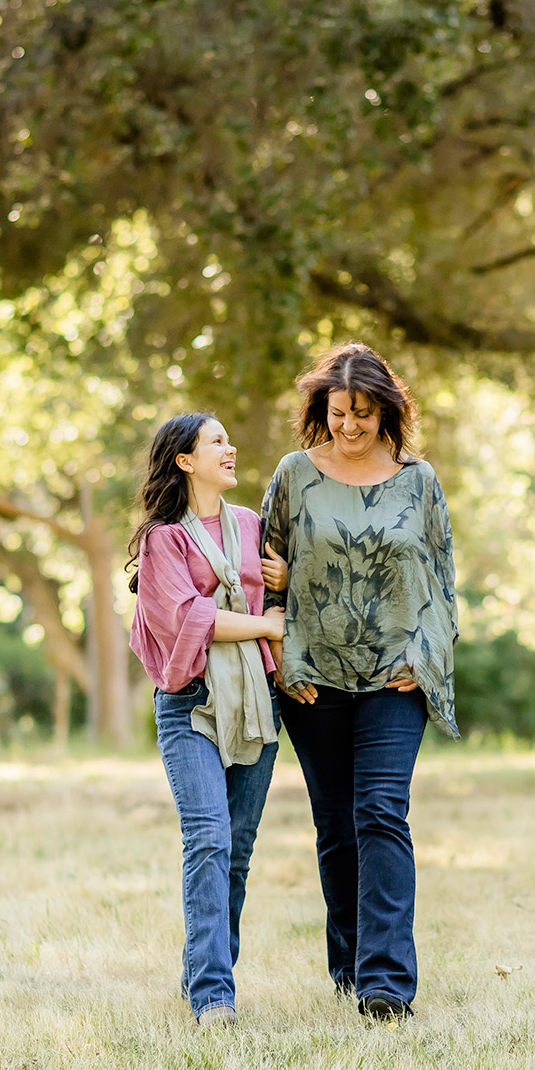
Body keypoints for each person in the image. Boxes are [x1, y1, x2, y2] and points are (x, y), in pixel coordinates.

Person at [260, 344, 458, 1022]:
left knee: (380, 811)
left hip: (394, 678)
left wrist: (425, 656)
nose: (350, 425)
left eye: (364, 413)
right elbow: (264, 575)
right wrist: (284, 657)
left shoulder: (419, 480)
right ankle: (347, 967)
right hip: (312, 681)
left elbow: (442, 580)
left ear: (387, 411)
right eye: (339, 411)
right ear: (322, 408)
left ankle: (386, 983)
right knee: (337, 826)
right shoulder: (293, 476)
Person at [127, 413, 288, 1029]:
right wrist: (265, 625)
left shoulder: (250, 526)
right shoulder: (163, 540)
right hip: (190, 703)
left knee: (238, 852)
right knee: (209, 839)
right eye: (217, 440)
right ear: (185, 460)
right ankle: (214, 998)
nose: (231, 447)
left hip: (255, 701)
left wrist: (280, 586)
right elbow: (187, 619)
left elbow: (280, 597)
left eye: (229, 437)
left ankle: (209, 971)